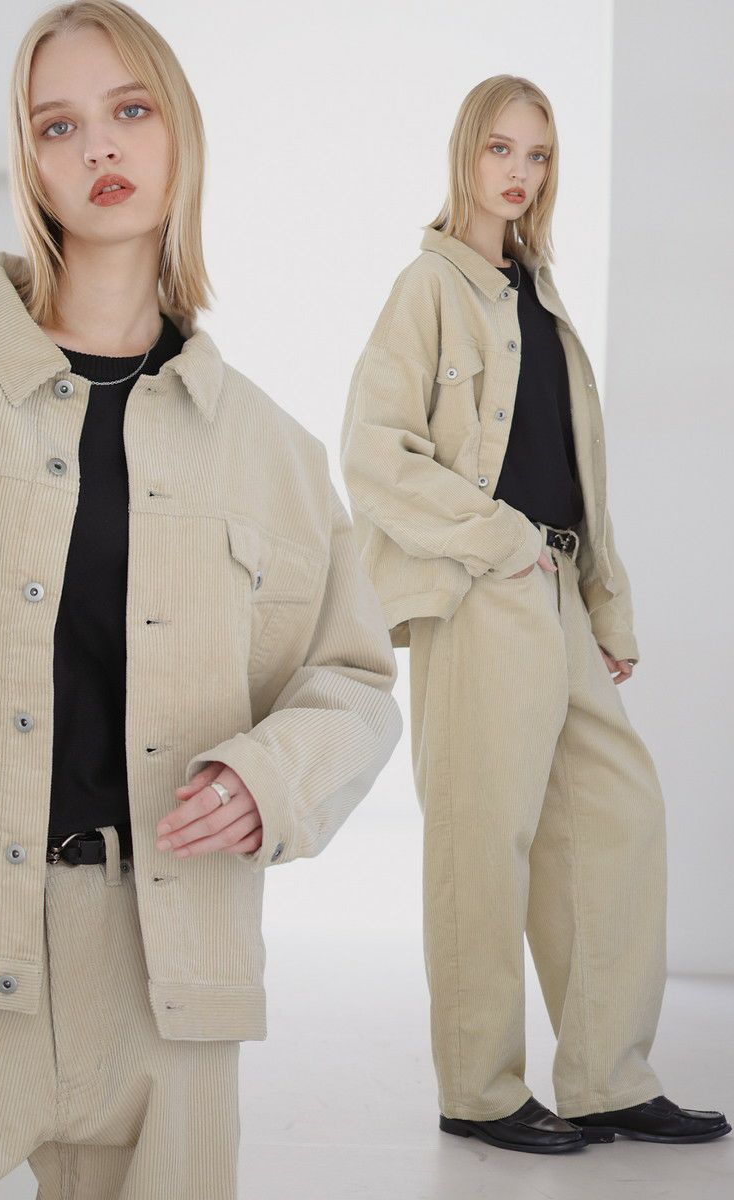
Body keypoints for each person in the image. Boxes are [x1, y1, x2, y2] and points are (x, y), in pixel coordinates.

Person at [0, 3, 402, 1196]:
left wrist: (271, 776)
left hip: (169, 997)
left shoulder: (269, 448)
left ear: (178, 132)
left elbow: (352, 680)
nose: (99, 146)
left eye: (129, 110)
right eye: (58, 125)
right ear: (29, 163)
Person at [339, 74, 729, 1154]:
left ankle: (606, 1077)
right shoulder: (428, 289)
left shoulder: (539, 294)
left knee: (616, 816)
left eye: (539, 154)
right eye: (500, 149)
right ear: (465, 153)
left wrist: (604, 606)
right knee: (482, 839)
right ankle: (478, 1091)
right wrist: (499, 542)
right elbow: (373, 454)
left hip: (554, 588)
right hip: (481, 591)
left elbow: (577, 468)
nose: (519, 172)